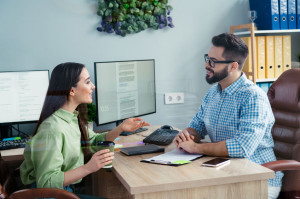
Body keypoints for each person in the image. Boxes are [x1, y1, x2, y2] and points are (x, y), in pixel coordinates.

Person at [174, 33, 283, 199]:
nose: (206, 65)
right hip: (226, 171)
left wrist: (196, 148)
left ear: (233, 66)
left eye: (213, 61)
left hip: (258, 178)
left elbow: (242, 147)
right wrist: (186, 136)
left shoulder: (253, 97)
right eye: (207, 58)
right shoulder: (213, 93)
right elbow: (197, 126)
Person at [20, 62, 150, 191]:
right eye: (87, 82)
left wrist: (121, 128)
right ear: (72, 90)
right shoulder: (52, 129)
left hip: (64, 190)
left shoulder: (70, 118)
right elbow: (46, 182)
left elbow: (94, 141)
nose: (93, 86)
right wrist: (89, 167)